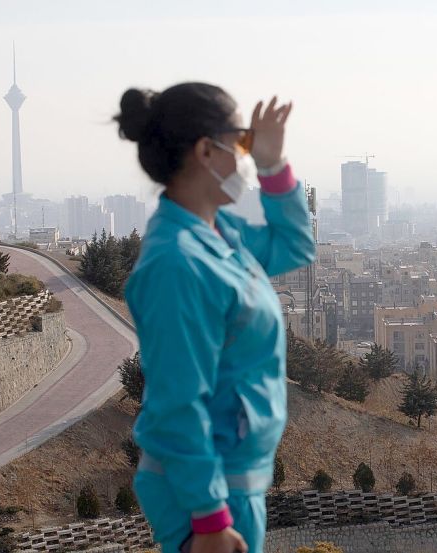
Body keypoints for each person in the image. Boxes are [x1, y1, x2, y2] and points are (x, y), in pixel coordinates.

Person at [115, 83, 315, 553]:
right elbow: (176, 402)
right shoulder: (177, 262)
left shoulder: (219, 234)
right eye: (241, 144)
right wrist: (209, 520)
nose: (243, 159)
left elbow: (295, 246)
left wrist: (270, 164)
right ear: (206, 150)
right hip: (205, 498)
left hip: (233, 485)